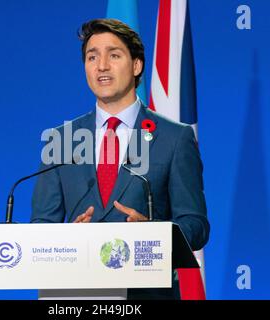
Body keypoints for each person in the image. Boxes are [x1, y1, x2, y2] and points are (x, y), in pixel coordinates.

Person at [31, 18, 209, 299]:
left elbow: (196, 225)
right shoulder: (61, 139)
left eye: (113, 55)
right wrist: (67, 240)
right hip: (75, 295)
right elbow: (41, 226)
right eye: (92, 57)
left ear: (137, 65)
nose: (101, 65)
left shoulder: (175, 138)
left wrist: (154, 237)